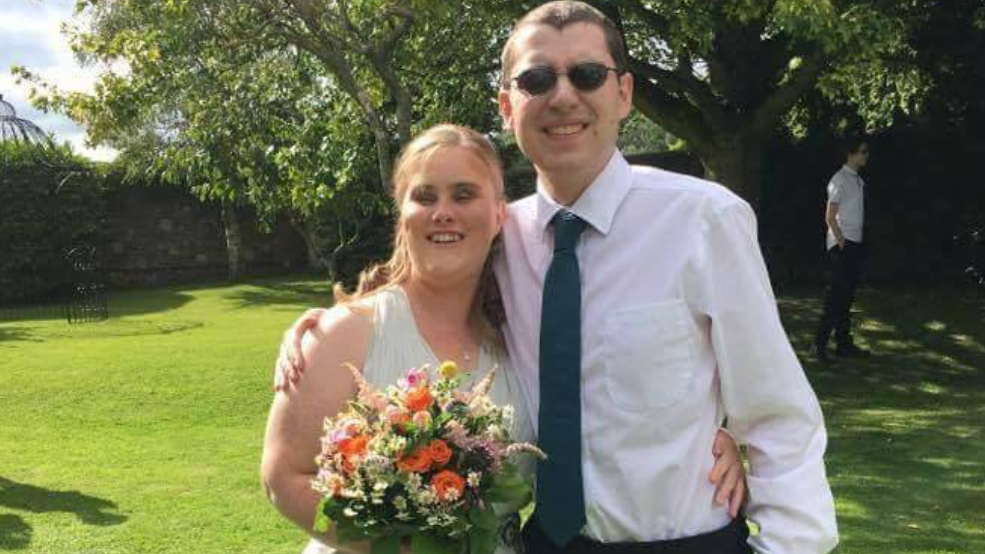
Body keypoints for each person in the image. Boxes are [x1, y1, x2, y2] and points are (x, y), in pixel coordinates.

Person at [277, 2, 835, 552]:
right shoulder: (498, 238)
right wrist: (325, 328)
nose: (563, 95)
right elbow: (425, 294)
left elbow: (778, 418)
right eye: (537, 78)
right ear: (506, 106)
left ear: (624, 93)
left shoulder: (704, 220)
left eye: (588, 74)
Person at [261, 124, 747, 554]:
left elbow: (596, 406)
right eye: (424, 196)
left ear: (499, 215)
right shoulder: (344, 335)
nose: (443, 212)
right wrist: (403, 548)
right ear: (401, 214)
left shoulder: (516, 335)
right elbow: (285, 478)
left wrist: (711, 438)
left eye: (464, 195)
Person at [812, 137, 871, 363]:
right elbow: (830, 215)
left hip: (854, 243)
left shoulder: (857, 180)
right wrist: (841, 241)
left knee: (847, 297)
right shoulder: (840, 179)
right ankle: (819, 344)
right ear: (851, 154)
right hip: (842, 245)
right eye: (863, 151)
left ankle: (843, 344)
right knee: (836, 297)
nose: (866, 156)